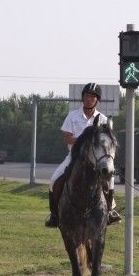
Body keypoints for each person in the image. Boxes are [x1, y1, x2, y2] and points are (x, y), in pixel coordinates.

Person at [45, 83, 121, 227]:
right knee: (53, 180)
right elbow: (67, 138)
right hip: (74, 157)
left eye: (92, 97)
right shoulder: (72, 116)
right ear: (83, 98)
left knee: (109, 180)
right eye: (87, 96)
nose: (89, 99)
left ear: (97, 100)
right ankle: (54, 215)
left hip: (96, 160)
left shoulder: (103, 119)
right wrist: (83, 141)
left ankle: (110, 211)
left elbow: (109, 140)